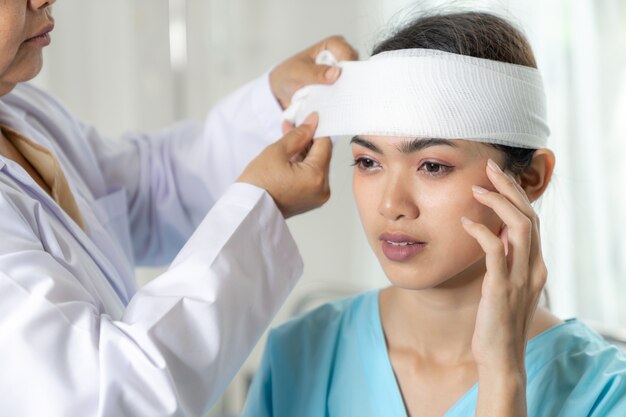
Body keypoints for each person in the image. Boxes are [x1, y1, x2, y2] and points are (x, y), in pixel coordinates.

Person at [242, 11, 626, 417]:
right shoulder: (301, 352)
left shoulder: (604, 393)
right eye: (369, 162)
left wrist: (502, 375)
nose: (391, 205)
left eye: (433, 166)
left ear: (531, 178)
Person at [0, 0, 358, 416]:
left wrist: (274, 105)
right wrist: (263, 204)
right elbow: (111, 396)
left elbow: (149, 190)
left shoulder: (18, 110)